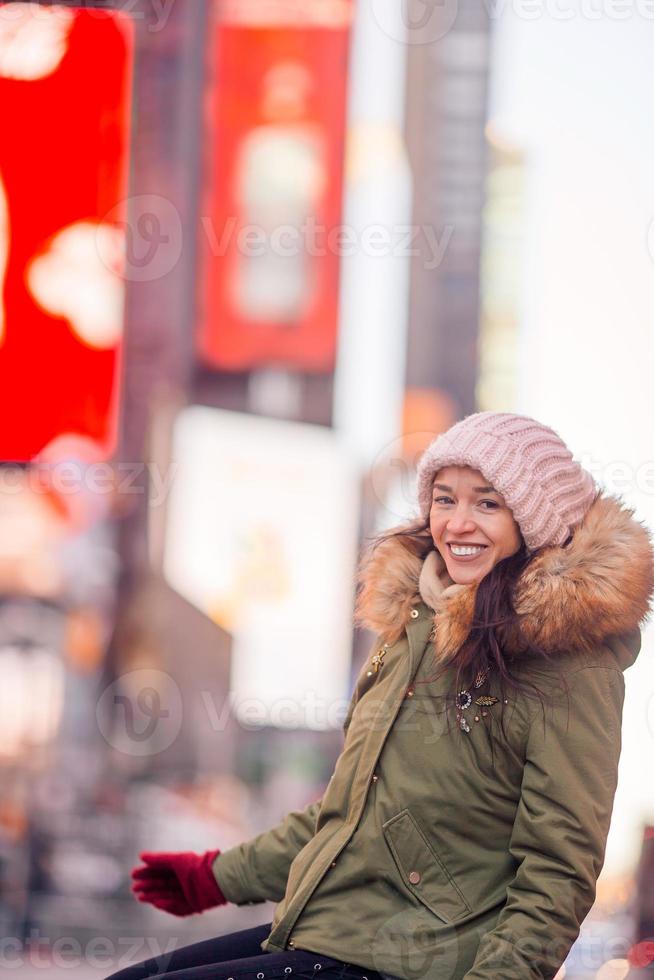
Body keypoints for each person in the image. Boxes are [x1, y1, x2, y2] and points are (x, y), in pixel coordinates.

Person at [106, 412, 654, 980]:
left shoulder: (567, 661)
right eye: (445, 499)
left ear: (533, 519)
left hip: (416, 957)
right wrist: (215, 876)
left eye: (487, 503)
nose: (458, 524)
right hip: (330, 928)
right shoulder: (414, 626)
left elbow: (559, 869)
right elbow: (348, 815)